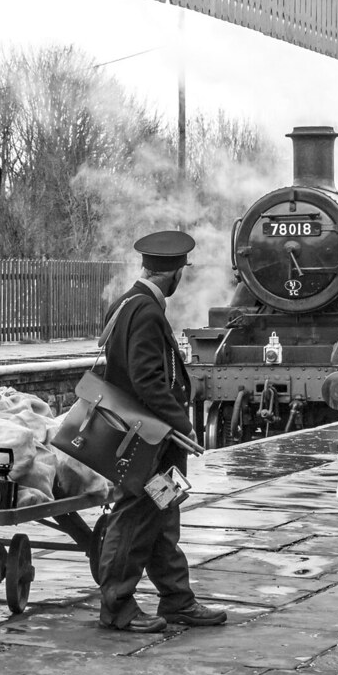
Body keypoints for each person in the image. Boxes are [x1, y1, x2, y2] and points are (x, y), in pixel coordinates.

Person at [97, 230, 227, 633]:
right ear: (175, 275)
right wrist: (182, 424)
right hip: (148, 443)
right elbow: (148, 379)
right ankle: (117, 608)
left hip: (148, 439)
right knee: (134, 518)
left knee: (161, 515)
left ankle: (177, 600)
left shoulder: (126, 304)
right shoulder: (147, 311)